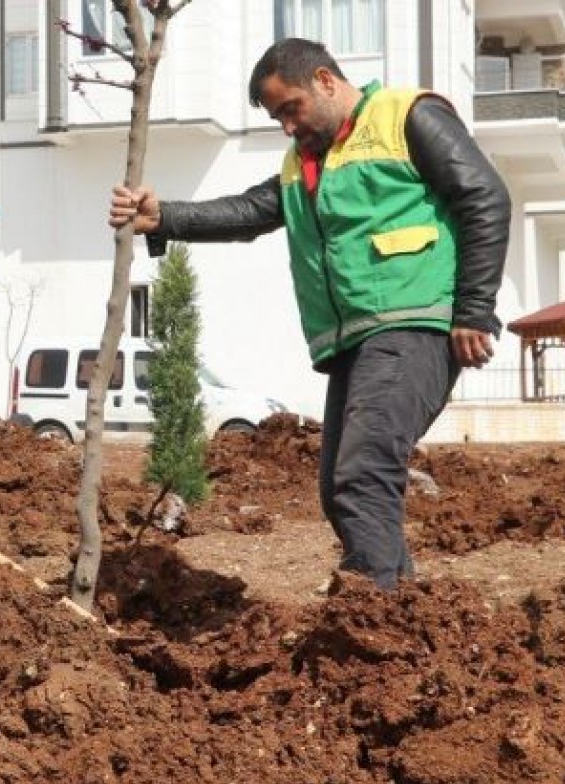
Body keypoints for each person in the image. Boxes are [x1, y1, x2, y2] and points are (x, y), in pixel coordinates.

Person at [109, 38, 512, 589]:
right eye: (276, 116)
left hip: (415, 323)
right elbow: (253, 210)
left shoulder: (408, 116)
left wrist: (474, 309)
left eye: (290, 108)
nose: (286, 126)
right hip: (356, 340)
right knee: (340, 486)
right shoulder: (305, 162)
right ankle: (397, 606)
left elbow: (484, 196)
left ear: (325, 80)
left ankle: (370, 612)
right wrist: (167, 217)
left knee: (365, 470)